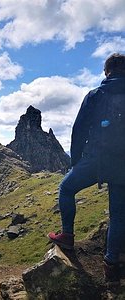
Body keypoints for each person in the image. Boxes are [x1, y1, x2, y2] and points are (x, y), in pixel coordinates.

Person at [48, 53, 125, 285]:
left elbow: (79, 130)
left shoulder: (95, 95)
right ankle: (112, 266)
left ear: (107, 71)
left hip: (95, 160)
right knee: (118, 214)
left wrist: (76, 162)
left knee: (66, 188)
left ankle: (67, 236)